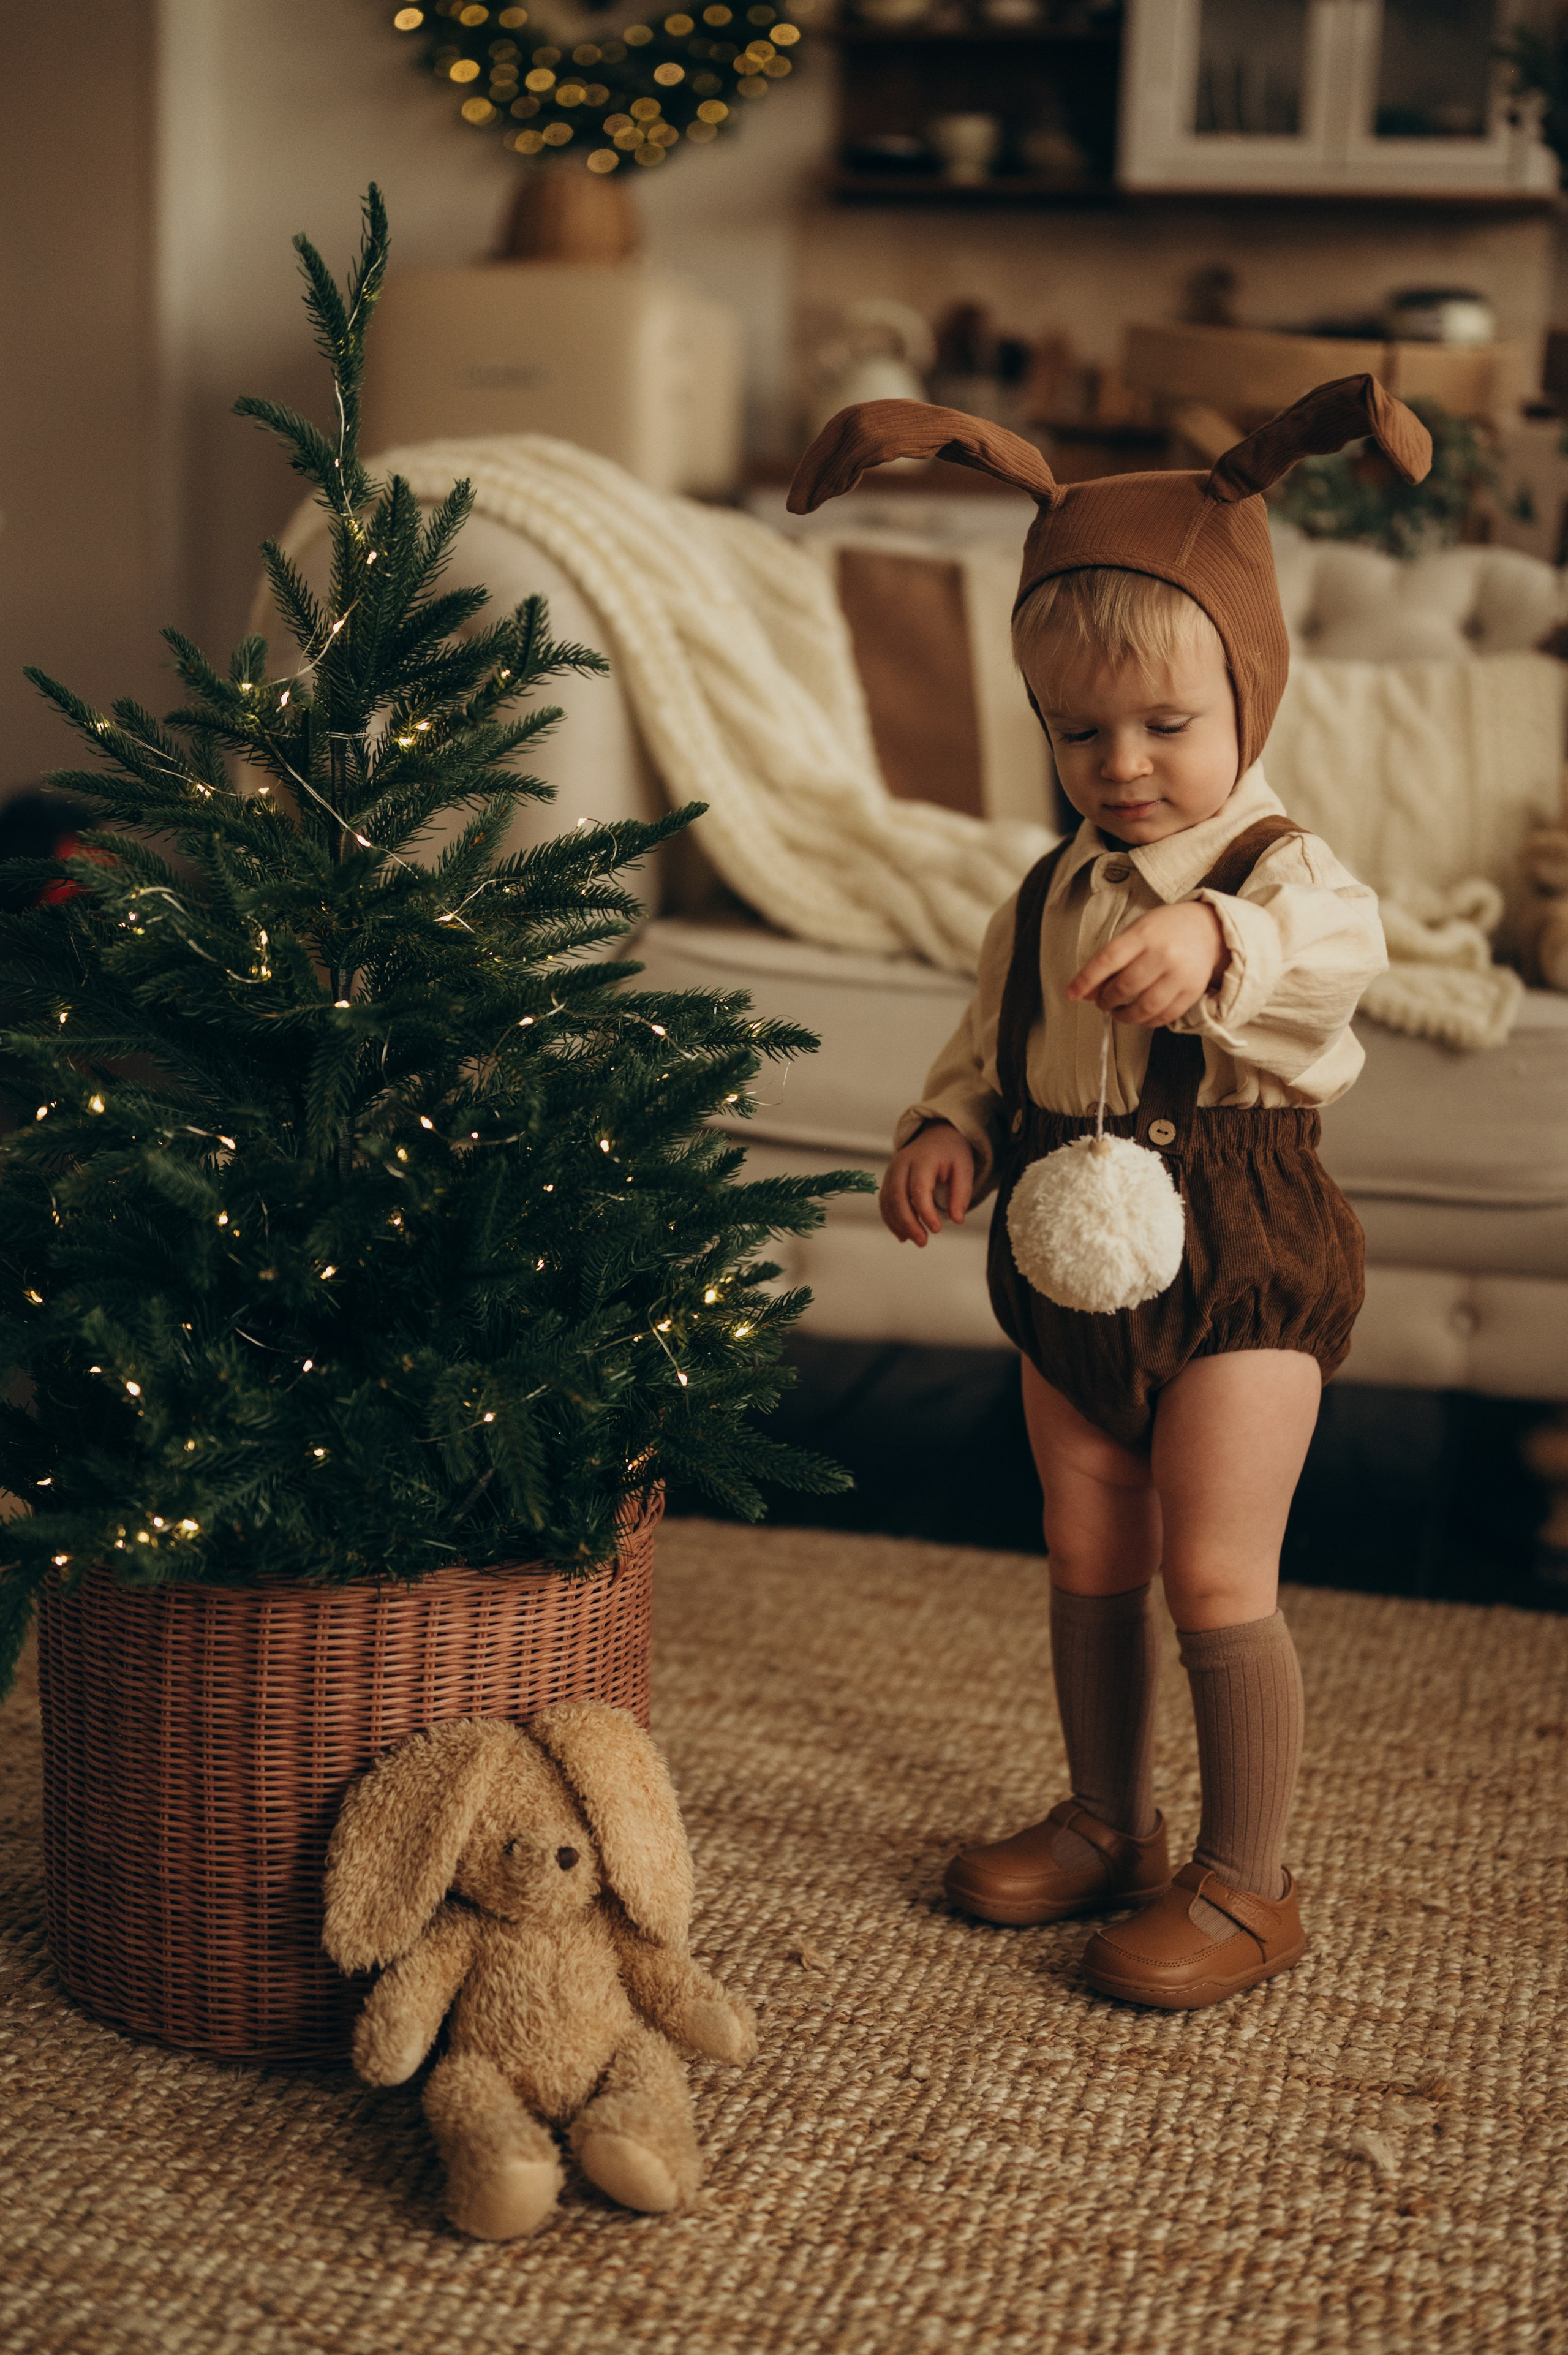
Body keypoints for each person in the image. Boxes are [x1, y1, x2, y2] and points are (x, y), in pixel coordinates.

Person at [786, 380, 1428, 2009]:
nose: (1122, 766)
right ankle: (1109, 1821)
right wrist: (951, 1127)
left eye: (1165, 726)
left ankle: (1249, 1881)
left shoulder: (1280, 874)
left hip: (1242, 1252)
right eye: (1079, 734)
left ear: (1249, 702)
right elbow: (993, 1037)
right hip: (1068, 1254)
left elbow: (1341, 953)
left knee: (1214, 1569)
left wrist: (1220, 939)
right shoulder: (1045, 888)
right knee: (1088, 1541)